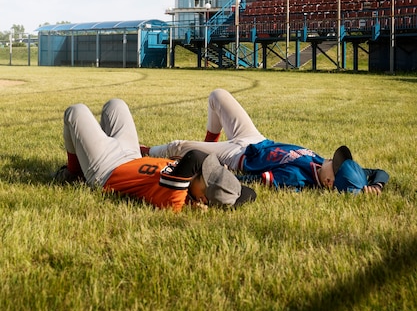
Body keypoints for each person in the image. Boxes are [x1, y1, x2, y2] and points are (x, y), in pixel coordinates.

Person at [143, 88, 389, 195]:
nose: (332, 160)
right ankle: (207, 143)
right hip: (255, 138)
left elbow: (254, 180)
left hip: (238, 156)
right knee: (218, 96)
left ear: (327, 182)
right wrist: (376, 186)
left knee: (178, 147)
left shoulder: (299, 178)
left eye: (334, 167)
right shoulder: (325, 168)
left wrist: (216, 171)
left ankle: (139, 152)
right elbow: (380, 172)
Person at [53, 98, 256, 211]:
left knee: (75, 111)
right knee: (116, 105)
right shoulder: (192, 189)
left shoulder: (174, 198)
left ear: (202, 198)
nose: (202, 171)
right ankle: (85, 152)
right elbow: (250, 194)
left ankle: (74, 173)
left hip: (106, 169)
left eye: (204, 176)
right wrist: (235, 189)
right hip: (131, 155)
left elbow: (194, 157)